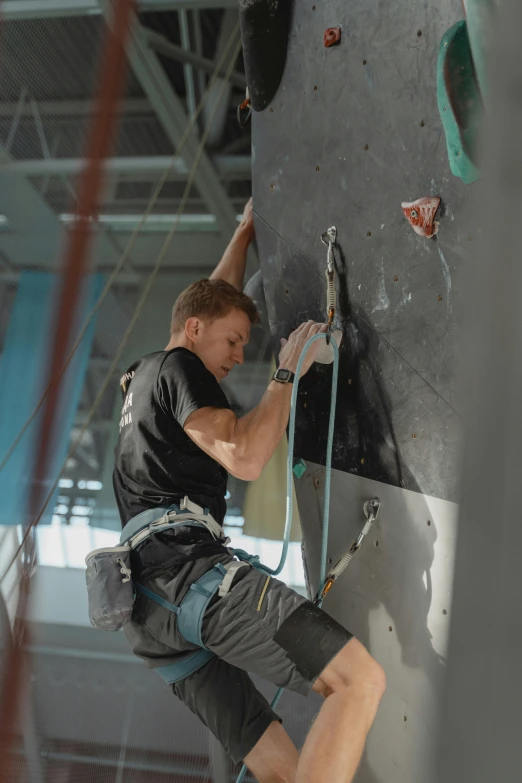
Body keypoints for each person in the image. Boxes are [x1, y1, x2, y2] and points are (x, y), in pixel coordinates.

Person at [114, 199, 385, 783]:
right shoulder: (182, 366)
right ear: (194, 334)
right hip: (189, 579)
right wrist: (287, 370)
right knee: (358, 679)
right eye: (233, 343)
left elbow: (208, 303)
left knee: (281, 770)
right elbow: (246, 455)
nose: (239, 356)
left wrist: (243, 232)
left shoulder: (149, 372)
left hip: (149, 614)